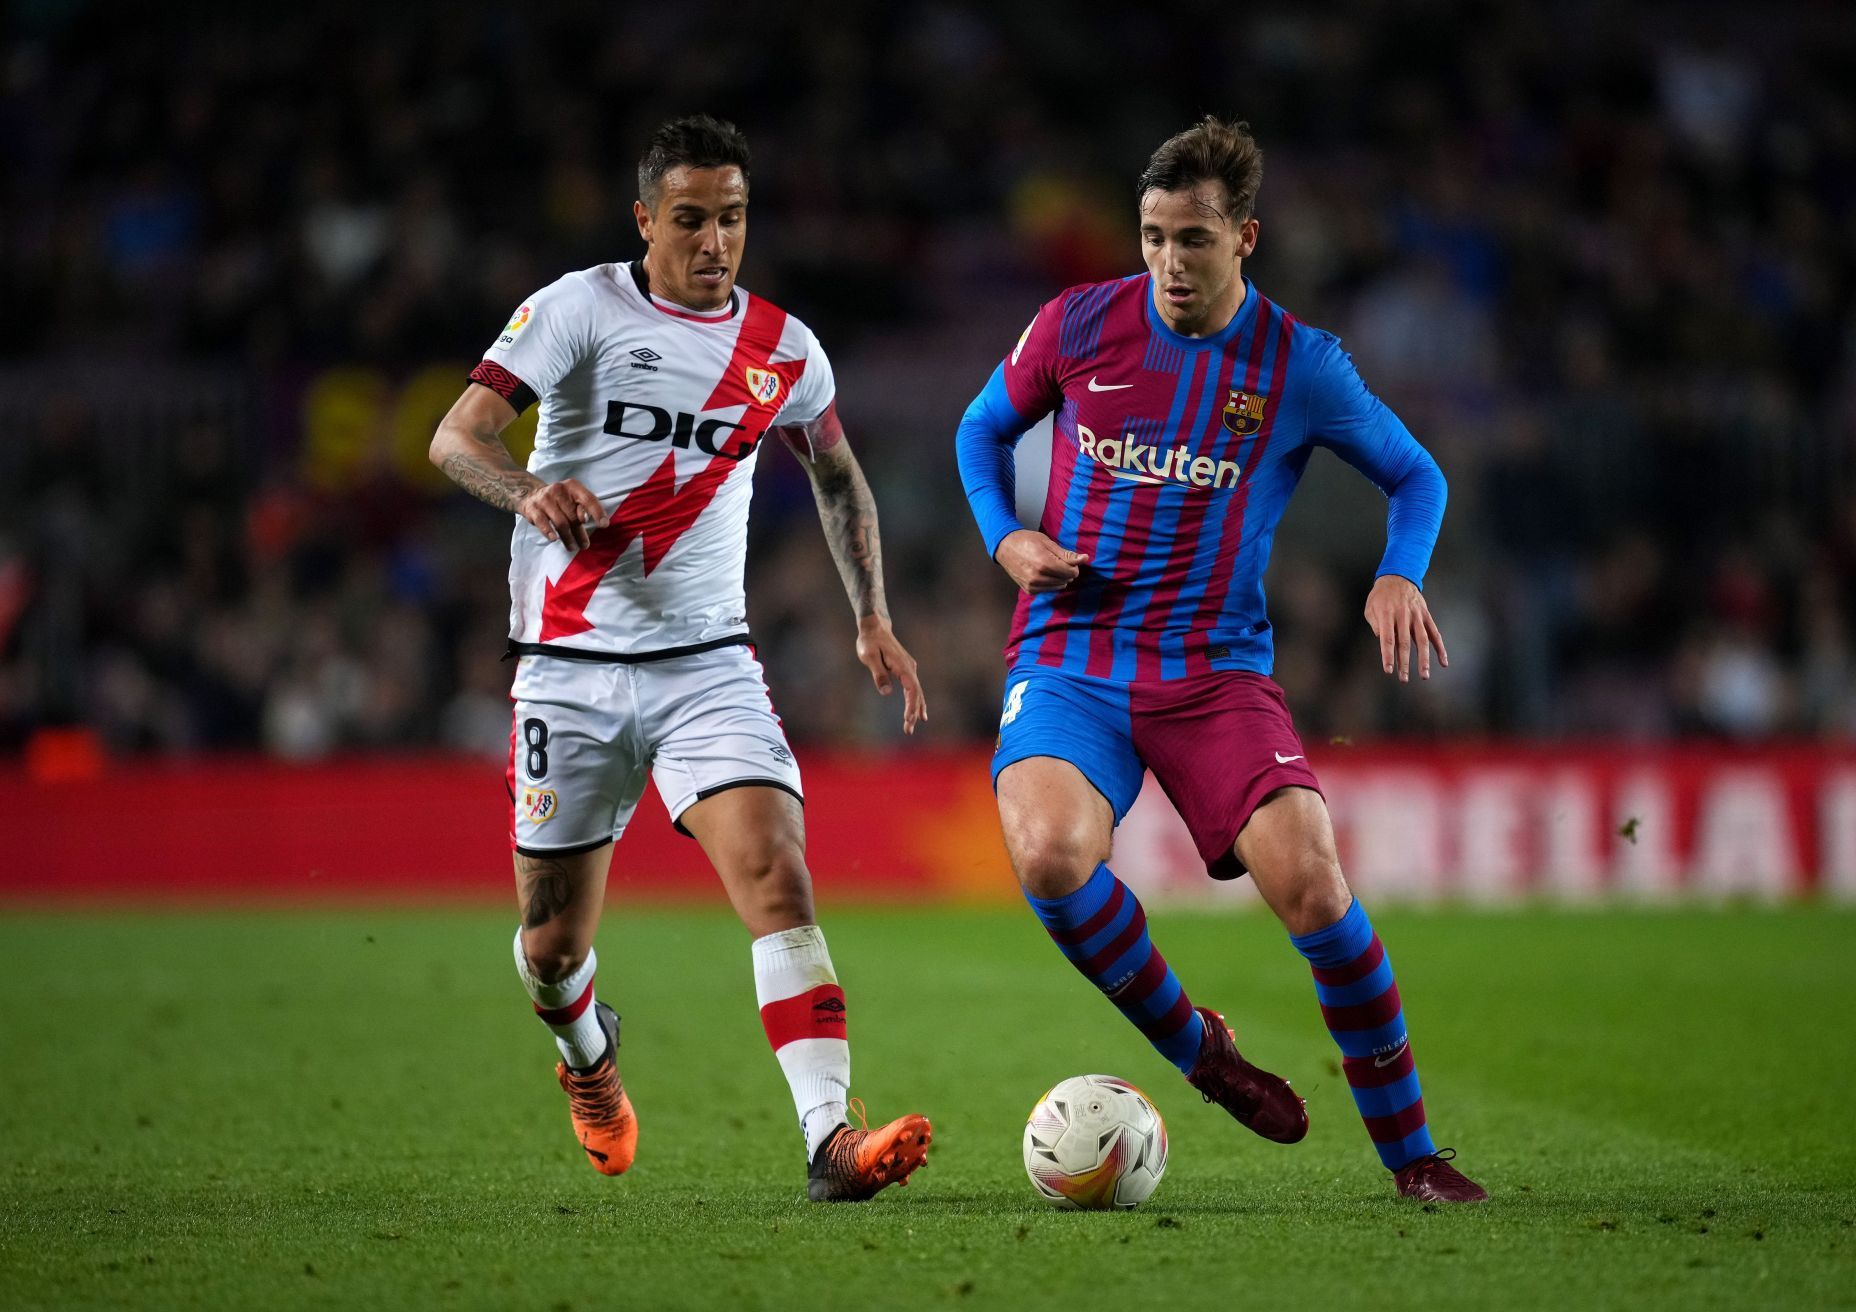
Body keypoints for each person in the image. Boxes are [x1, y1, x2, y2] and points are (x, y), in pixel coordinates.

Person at [954, 116, 1486, 1203]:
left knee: (1313, 887)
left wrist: (1400, 572)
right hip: (1073, 655)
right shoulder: (1079, 323)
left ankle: (1414, 1157)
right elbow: (979, 430)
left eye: (1192, 240)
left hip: (1213, 672)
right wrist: (1006, 537)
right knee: (1050, 855)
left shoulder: (1301, 364)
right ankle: (1201, 1051)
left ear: (1246, 238)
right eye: (1152, 236)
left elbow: (1416, 475)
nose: (1167, 263)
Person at [430, 114, 931, 1202]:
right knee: (553, 943)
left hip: (710, 661)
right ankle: (588, 1060)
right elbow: (455, 437)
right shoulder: (576, 309)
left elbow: (839, 475)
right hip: (567, 663)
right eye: (693, 220)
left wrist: (870, 614)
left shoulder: (785, 350)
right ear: (646, 218)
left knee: (779, 875)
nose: (716, 243)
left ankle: (829, 1141)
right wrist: (529, 489)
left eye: (734, 219)